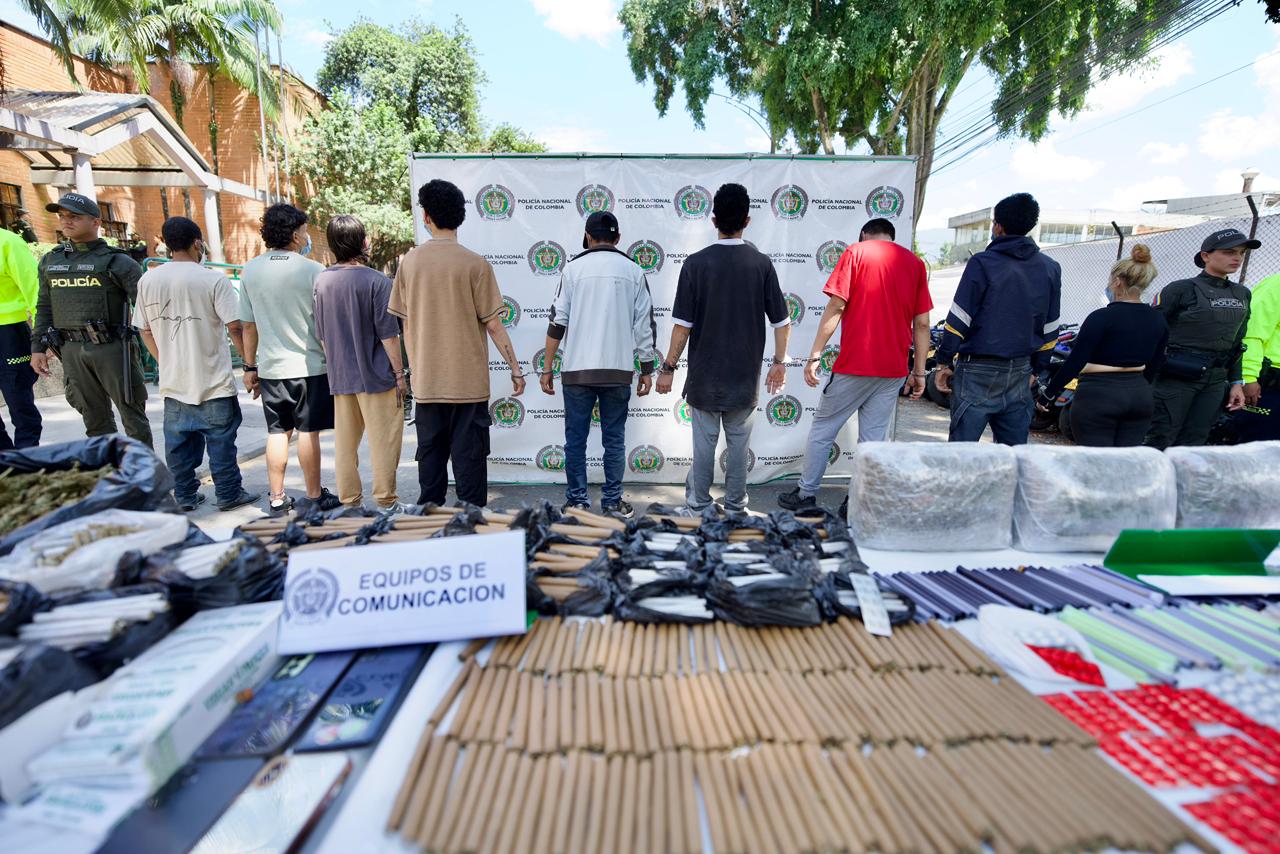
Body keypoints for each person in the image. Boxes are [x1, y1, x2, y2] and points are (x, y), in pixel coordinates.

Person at [778, 218, 931, 511]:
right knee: (873, 440)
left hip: (855, 364)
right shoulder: (914, 264)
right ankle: (858, 502)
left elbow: (837, 306)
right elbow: (922, 323)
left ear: (863, 234)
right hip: (893, 370)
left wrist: (815, 354)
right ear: (891, 237)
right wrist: (920, 372)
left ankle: (805, 495)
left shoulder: (856, 252)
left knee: (824, 429)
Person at [390, 179, 525, 508]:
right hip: (469, 387)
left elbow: (404, 324)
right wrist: (515, 369)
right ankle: (472, 527)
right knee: (470, 470)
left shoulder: (409, 263)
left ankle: (430, 527)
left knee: (431, 469)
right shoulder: (476, 264)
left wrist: (411, 371)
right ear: (460, 217)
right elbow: (494, 324)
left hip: (428, 384)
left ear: (426, 216)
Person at [655, 182, 790, 512]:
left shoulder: (695, 264)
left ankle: (699, 506)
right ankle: (735, 507)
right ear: (747, 220)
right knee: (739, 445)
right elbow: (782, 322)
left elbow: (682, 327)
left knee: (703, 445)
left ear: (713, 220)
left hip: (705, 376)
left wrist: (668, 367)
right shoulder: (761, 264)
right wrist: (779, 363)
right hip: (744, 376)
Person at [134, 217, 258, 511]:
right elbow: (235, 326)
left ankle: (185, 496)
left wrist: (165, 361)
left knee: (178, 445)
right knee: (221, 441)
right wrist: (250, 366)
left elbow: (144, 330)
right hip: (213, 379)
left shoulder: (148, 280)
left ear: (167, 244)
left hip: (174, 382)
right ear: (197, 244)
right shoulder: (213, 279)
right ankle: (228, 493)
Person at [541, 211, 657, 518]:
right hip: (617, 371)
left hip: (577, 371)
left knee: (575, 440)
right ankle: (612, 502)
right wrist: (646, 370)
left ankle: (577, 501)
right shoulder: (634, 271)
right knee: (614, 440)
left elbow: (557, 322)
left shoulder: (572, 269)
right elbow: (644, 326)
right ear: (618, 238)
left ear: (588, 237)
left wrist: (547, 367)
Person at [934, 192, 1062, 445]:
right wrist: (1038, 368)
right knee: (1014, 455)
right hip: (1021, 371)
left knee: (961, 454)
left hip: (977, 371)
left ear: (998, 227)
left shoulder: (982, 263)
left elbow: (959, 318)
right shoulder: (1050, 267)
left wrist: (943, 362)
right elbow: (1051, 326)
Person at [239, 203, 340, 516]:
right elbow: (325, 325)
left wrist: (250, 366)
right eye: (305, 231)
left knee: (277, 432)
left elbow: (248, 326)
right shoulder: (313, 271)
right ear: (295, 234)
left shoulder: (250, 270)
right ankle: (314, 495)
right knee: (308, 432)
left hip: (271, 369)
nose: (306, 236)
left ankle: (277, 497)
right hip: (309, 367)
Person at [30, 192, 153, 448]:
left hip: (113, 348)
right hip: (71, 350)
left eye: (74, 216)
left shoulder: (118, 261)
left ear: (96, 222)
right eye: (62, 216)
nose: (66, 221)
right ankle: (108, 471)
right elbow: (44, 306)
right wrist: (37, 348)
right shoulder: (51, 261)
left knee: (133, 419)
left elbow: (148, 310)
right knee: (95, 423)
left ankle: (144, 472)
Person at [313, 215, 408, 512]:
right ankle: (386, 501)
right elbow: (389, 336)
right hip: (377, 375)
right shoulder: (377, 281)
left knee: (345, 445)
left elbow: (323, 335)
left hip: (341, 375)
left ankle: (350, 502)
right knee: (384, 442)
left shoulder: (322, 281)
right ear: (362, 241)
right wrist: (400, 374)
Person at [1035, 245, 1167, 447]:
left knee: (1096, 459)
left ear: (1117, 281)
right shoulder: (1158, 319)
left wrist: (1048, 395)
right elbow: (1155, 364)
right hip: (1139, 396)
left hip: (1099, 395)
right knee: (1128, 459)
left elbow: (1075, 362)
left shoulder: (1101, 318)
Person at [1144, 228, 1257, 449]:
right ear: (1206, 255)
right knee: (1160, 439)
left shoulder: (1242, 293)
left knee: (1195, 443)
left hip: (1215, 380)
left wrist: (1236, 383)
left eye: (1241, 253)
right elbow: (1148, 333)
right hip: (1175, 377)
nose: (1237, 258)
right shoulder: (1180, 289)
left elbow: (1237, 342)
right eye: (1229, 252)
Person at [0, 224, 41, 450]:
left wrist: (42, 338)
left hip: (9, 334)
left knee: (20, 405)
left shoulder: (8, 242)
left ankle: (26, 460)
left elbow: (35, 290)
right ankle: (7, 462)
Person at [1236, 272, 1280, 442]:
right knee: (1258, 443)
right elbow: (1252, 333)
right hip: (1270, 385)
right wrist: (1248, 377)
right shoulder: (1275, 285)